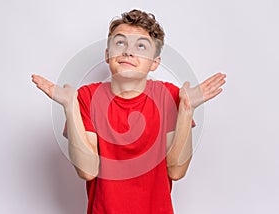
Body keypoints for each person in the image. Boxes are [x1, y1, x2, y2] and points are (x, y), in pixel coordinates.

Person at [32, 9, 226, 214]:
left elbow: (176, 171)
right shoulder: (86, 97)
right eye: (120, 43)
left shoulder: (169, 96)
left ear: (155, 62)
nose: (128, 51)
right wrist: (70, 107)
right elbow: (87, 171)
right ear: (108, 55)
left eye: (141, 46)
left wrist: (187, 109)